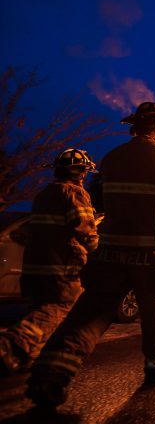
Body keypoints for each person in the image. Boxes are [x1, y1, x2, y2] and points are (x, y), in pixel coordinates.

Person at [26, 102, 155, 408]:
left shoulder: (112, 158)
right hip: (153, 256)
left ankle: (50, 373)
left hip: (110, 254)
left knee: (89, 315)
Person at [0, 149, 98, 376]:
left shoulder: (44, 195)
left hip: (35, 266)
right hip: (60, 268)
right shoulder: (75, 193)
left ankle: (25, 357)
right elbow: (84, 229)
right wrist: (98, 249)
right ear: (79, 172)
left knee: (40, 308)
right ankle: (11, 344)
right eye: (84, 171)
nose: (85, 176)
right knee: (57, 309)